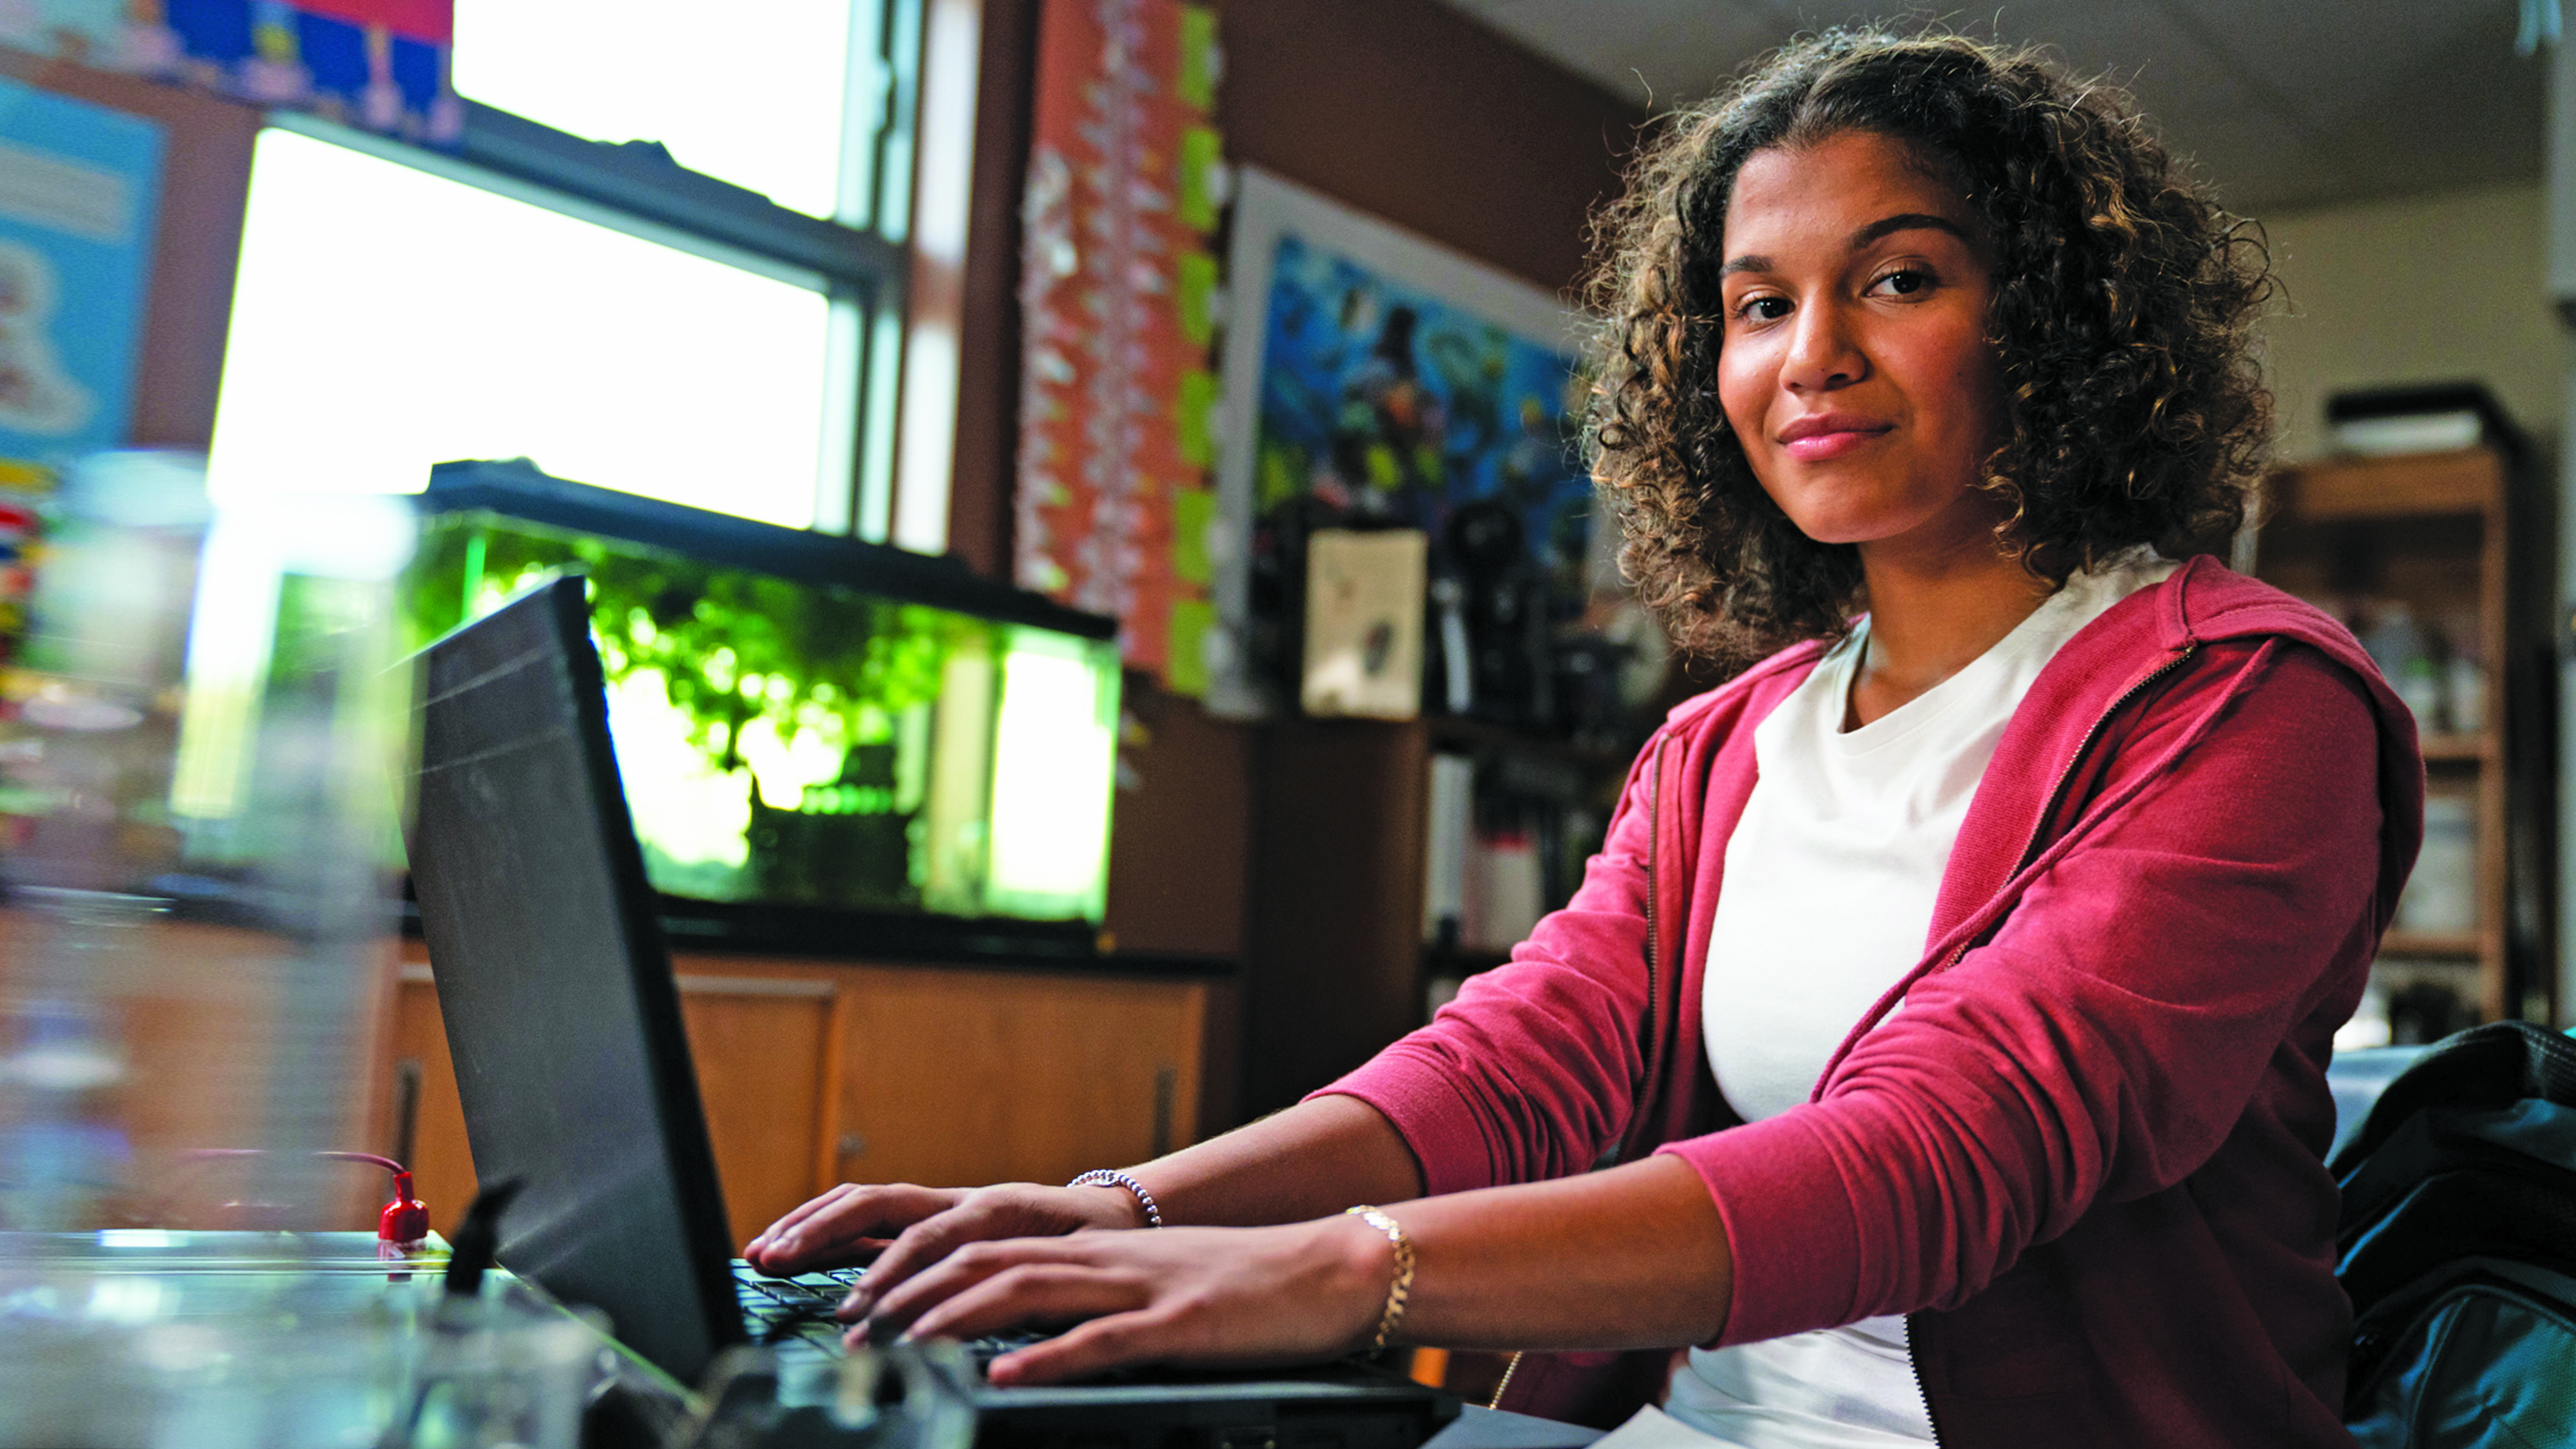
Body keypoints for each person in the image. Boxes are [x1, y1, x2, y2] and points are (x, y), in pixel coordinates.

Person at [749, 30, 2422, 1449]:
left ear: (2056, 322)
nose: (1810, 357)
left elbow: (1944, 1148)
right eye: (1757, 306)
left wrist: (1335, 1269)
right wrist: (1129, 1206)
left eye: (1898, 277)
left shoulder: (2249, 704)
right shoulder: (1723, 745)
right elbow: (1525, 1052)